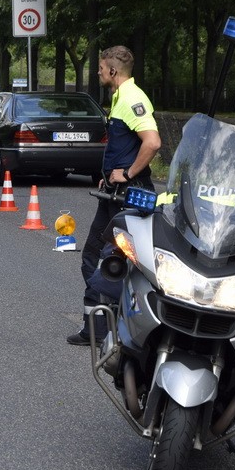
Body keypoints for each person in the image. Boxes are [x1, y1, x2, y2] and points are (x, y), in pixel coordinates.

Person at [66, 45, 161, 346]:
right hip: (114, 193)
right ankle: (98, 329)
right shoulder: (121, 97)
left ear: (112, 71)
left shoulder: (133, 98)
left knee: (111, 260)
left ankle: (115, 329)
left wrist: (128, 173)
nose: (97, 72)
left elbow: (153, 142)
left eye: (100, 67)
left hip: (129, 194)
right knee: (96, 257)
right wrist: (108, 175)